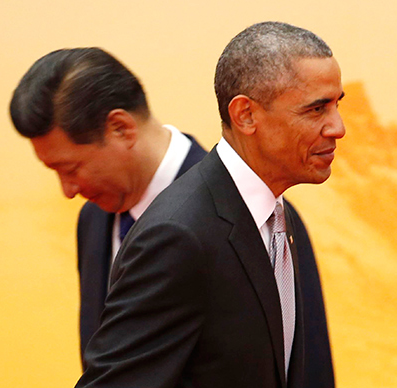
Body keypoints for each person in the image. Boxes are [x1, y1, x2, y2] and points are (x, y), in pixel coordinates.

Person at [76, 21, 344, 388]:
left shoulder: (276, 217)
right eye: (316, 110)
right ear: (246, 115)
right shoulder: (177, 234)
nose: (338, 127)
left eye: (335, 105)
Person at [8, 47, 207, 364]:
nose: (68, 191)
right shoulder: (93, 219)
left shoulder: (240, 211)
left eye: (71, 170)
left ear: (121, 128)